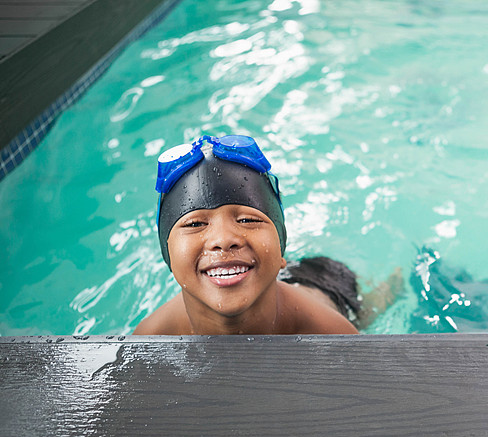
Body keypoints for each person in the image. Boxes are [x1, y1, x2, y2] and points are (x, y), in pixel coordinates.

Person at [133, 134, 398, 335]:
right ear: (168, 255)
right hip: (256, 270)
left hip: (326, 284)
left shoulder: (328, 330)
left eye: (247, 220)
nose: (223, 239)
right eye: (194, 224)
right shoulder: (151, 337)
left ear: (281, 249)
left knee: (370, 312)